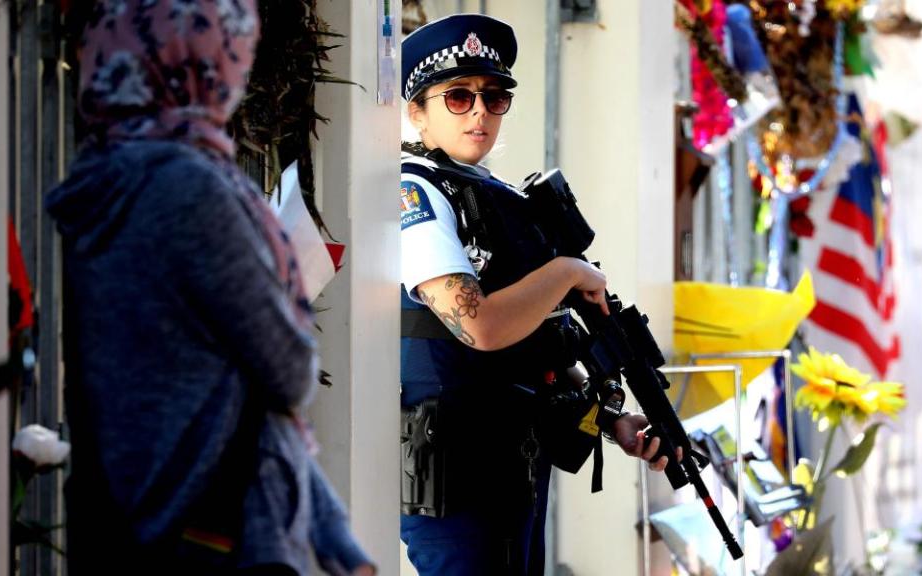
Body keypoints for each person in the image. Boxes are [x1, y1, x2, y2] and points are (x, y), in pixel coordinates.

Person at [45, 1, 373, 574]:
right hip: (210, 520)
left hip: (126, 507)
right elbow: (287, 370)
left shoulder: (102, 175)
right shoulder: (188, 188)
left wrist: (335, 538)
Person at [399, 13, 678, 576]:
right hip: (456, 465)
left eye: (494, 97)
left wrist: (611, 420)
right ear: (416, 110)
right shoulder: (414, 191)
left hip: (512, 456)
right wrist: (568, 271)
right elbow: (478, 324)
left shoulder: (491, 194)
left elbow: (536, 346)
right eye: (457, 97)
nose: (479, 111)